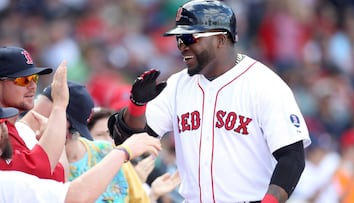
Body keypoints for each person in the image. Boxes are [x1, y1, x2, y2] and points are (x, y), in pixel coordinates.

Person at [108, 0, 311, 202]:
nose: (182, 46)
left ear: (221, 39)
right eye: (178, 39)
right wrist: (137, 105)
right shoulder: (177, 85)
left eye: (189, 38)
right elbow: (132, 139)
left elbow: (292, 159)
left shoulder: (263, 84)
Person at [0, 106, 161, 203]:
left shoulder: (106, 152)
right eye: (100, 134)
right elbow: (76, 195)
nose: (108, 141)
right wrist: (124, 151)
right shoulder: (8, 181)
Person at [21, 81, 130, 203]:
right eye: (72, 129)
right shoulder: (20, 144)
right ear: (57, 113)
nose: (73, 136)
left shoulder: (104, 150)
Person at [0, 46, 66, 182]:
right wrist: (59, 105)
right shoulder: (3, 131)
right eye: (23, 80)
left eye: (34, 78)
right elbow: (41, 170)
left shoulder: (13, 129)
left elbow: (57, 177)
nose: (32, 86)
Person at [89, 106, 181, 203]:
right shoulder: (81, 173)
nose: (108, 141)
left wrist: (153, 194)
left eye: (111, 135)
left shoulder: (131, 167)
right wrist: (134, 182)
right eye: (100, 135)